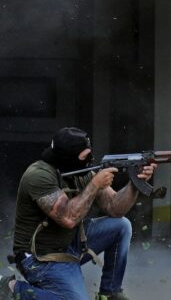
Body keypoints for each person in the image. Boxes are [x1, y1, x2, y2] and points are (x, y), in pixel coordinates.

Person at [0, 127, 157, 300]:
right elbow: (67, 218)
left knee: (121, 226)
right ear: (67, 158)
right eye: (85, 157)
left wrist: (136, 181)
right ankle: (11, 288)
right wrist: (95, 184)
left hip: (71, 242)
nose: (90, 160)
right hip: (41, 257)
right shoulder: (38, 175)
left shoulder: (82, 172)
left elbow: (115, 208)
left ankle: (110, 293)